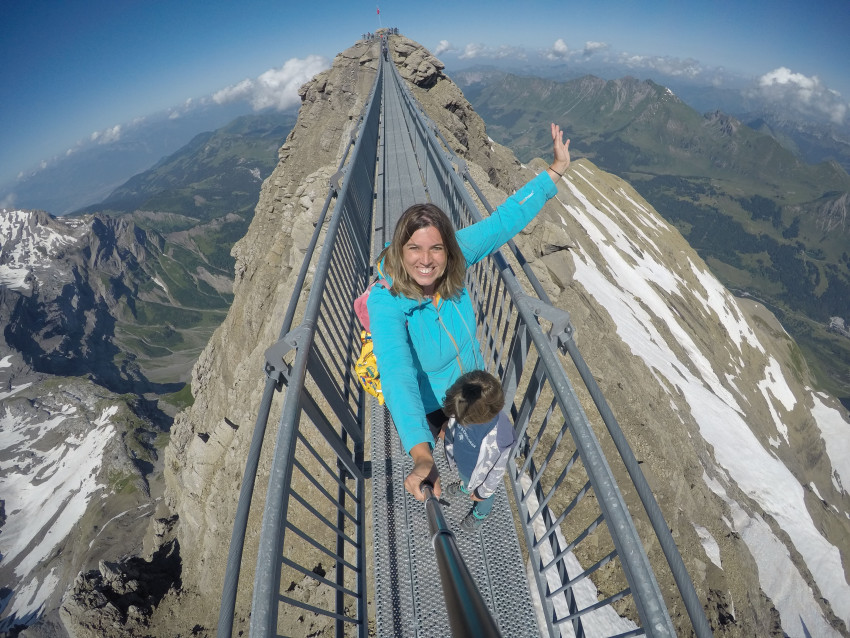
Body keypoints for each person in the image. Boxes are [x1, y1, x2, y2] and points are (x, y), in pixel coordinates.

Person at [367, 123, 570, 501]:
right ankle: (449, 457)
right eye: (413, 249)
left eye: (436, 249)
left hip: (469, 388)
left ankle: (468, 473)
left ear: (448, 248)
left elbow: (502, 223)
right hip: (434, 403)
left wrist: (555, 171)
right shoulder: (387, 300)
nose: (426, 261)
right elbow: (396, 375)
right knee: (451, 440)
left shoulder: (456, 254)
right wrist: (421, 455)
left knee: (478, 435)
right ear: (399, 250)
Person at [442, 370, 514, 531]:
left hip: (481, 476)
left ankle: (481, 512)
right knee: (466, 479)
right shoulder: (467, 408)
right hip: (465, 466)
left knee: (485, 497)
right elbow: (455, 426)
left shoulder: (500, 438)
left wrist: (483, 492)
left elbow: (496, 471)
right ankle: (466, 486)